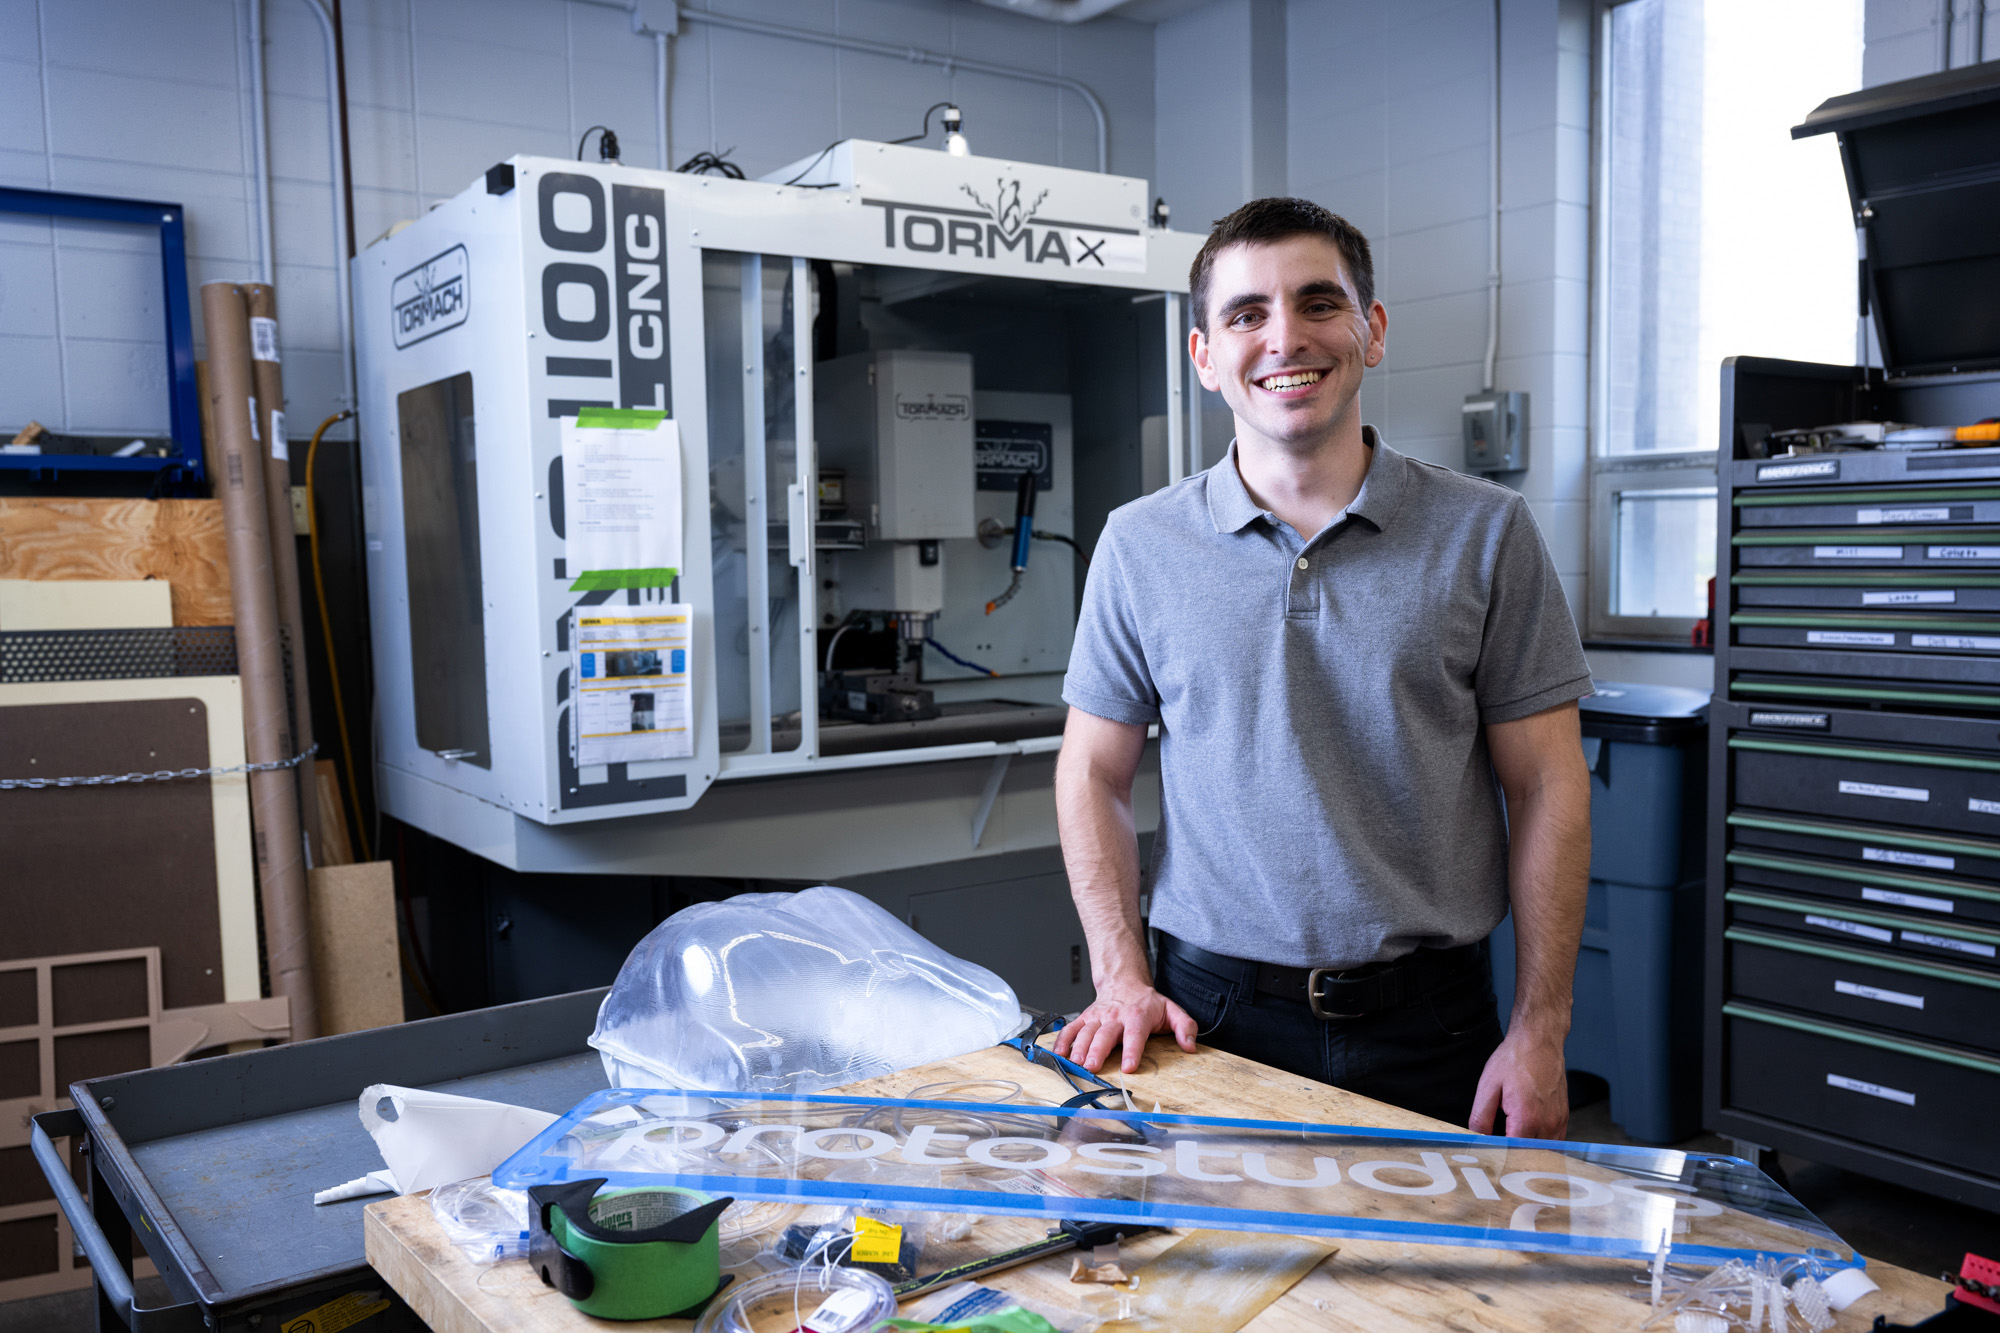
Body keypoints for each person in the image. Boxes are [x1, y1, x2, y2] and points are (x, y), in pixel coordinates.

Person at [1050, 197, 1592, 1137]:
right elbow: (1092, 772)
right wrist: (1119, 973)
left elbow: (1548, 783)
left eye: (1317, 303)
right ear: (1204, 356)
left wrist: (1541, 1029)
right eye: (1246, 313)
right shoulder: (1139, 545)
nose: (1284, 337)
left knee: (1442, 1280)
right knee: (1208, 1282)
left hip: (1434, 1022)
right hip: (1208, 1018)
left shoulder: (1486, 533)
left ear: (1371, 331)